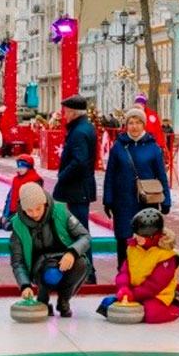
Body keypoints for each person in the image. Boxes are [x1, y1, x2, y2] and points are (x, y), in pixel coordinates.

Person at [102, 106, 172, 267]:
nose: (134, 126)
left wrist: (166, 200)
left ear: (143, 124)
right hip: (123, 202)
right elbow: (110, 175)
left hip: (146, 202)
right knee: (124, 240)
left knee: (146, 240)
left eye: (138, 122)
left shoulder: (153, 147)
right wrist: (108, 199)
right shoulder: (119, 146)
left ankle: (145, 277)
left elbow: (161, 176)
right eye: (131, 122)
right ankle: (123, 276)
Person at [9, 183, 91, 317]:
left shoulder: (60, 211)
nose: (34, 214)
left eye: (38, 208)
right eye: (29, 210)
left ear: (45, 203)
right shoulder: (18, 224)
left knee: (81, 264)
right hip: (40, 265)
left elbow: (85, 236)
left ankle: (64, 300)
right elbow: (17, 261)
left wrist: (72, 252)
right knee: (51, 274)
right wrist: (24, 285)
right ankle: (43, 299)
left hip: (64, 256)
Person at [99, 208, 179, 324]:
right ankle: (137, 305)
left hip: (157, 295)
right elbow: (124, 272)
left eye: (140, 235)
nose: (136, 237)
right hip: (133, 292)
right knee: (107, 304)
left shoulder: (166, 256)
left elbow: (155, 284)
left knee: (151, 314)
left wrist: (134, 295)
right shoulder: (133, 248)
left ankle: (176, 306)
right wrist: (123, 288)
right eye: (136, 234)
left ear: (152, 236)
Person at [52, 95, 100, 283]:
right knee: (79, 229)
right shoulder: (83, 128)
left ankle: (87, 271)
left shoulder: (79, 132)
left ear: (72, 112)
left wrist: (62, 175)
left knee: (80, 230)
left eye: (66, 112)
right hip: (79, 188)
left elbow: (79, 161)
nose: (64, 115)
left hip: (77, 188)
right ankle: (85, 270)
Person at [0, 155, 44, 231]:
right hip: (14, 210)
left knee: (7, 226)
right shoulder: (16, 179)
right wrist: (5, 214)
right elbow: (10, 198)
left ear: (29, 167)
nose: (20, 169)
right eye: (18, 167)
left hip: (26, 211)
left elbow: (34, 201)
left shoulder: (35, 179)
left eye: (23, 167)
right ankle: (14, 219)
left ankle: (26, 223)